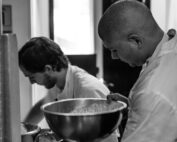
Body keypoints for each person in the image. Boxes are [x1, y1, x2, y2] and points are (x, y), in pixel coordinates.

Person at [98, 0, 177, 142]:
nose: (113, 57)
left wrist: (143, 104)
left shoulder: (151, 93)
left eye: (114, 50)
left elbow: (154, 98)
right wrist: (132, 104)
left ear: (136, 41)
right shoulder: (169, 45)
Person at [19, 36, 119, 142]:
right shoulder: (58, 83)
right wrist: (24, 132)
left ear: (48, 69)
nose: (31, 82)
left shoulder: (88, 91)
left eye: (31, 77)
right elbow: (42, 106)